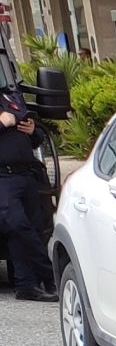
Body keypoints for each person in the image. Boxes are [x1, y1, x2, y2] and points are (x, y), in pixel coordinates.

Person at [0, 89, 55, 302]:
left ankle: (26, 285)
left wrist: (33, 131)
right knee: (19, 226)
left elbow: (35, 140)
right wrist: (2, 123)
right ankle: (50, 275)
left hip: (26, 175)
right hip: (3, 177)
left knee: (30, 229)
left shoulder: (9, 98)